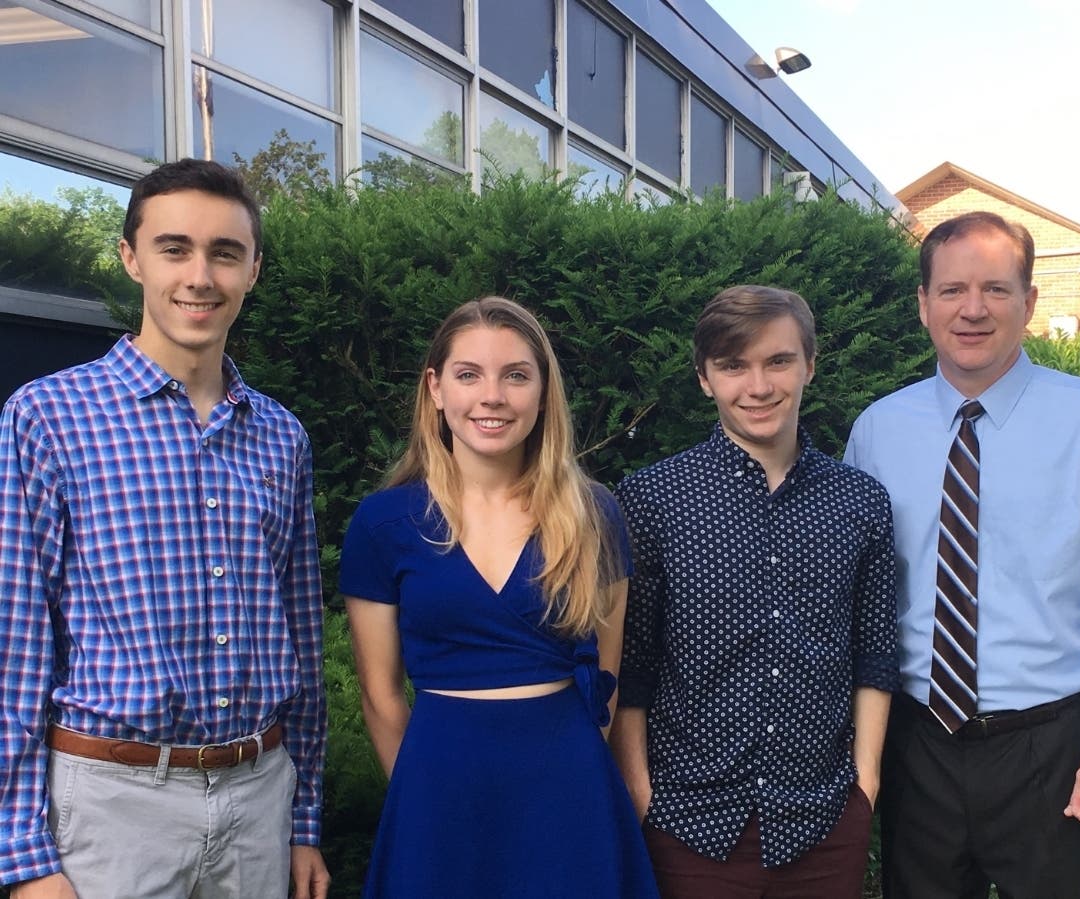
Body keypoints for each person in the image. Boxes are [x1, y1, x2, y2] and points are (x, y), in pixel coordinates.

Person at [0, 159, 329, 899]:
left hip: (258, 799)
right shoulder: (49, 418)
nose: (199, 276)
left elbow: (302, 638)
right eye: (174, 248)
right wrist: (23, 853)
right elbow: (15, 641)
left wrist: (304, 818)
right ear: (131, 258)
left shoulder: (281, 437)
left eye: (225, 253)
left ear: (253, 270)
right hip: (112, 808)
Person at [844, 210, 1080, 898]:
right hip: (917, 746)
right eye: (952, 290)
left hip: (1052, 748)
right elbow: (858, 593)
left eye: (995, 288)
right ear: (923, 305)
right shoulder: (877, 432)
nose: (973, 309)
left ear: (1028, 302)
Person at [338, 296, 659, 898]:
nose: (492, 396)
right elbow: (380, 695)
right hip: (439, 788)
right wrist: (422, 798)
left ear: (543, 392)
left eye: (515, 375)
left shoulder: (594, 516)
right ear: (435, 388)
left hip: (568, 788)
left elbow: (607, 681)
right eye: (469, 375)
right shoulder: (383, 524)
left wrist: (569, 776)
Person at [610, 285, 899, 898]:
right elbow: (633, 662)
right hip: (687, 820)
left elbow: (874, 652)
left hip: (823, 820)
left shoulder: (860, 501)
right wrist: (639, 787)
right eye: (733, 365)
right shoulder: (654, 499)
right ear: (704, 378)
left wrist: (865, 784)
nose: (759, 386)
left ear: (810, 365)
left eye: (779, 361)